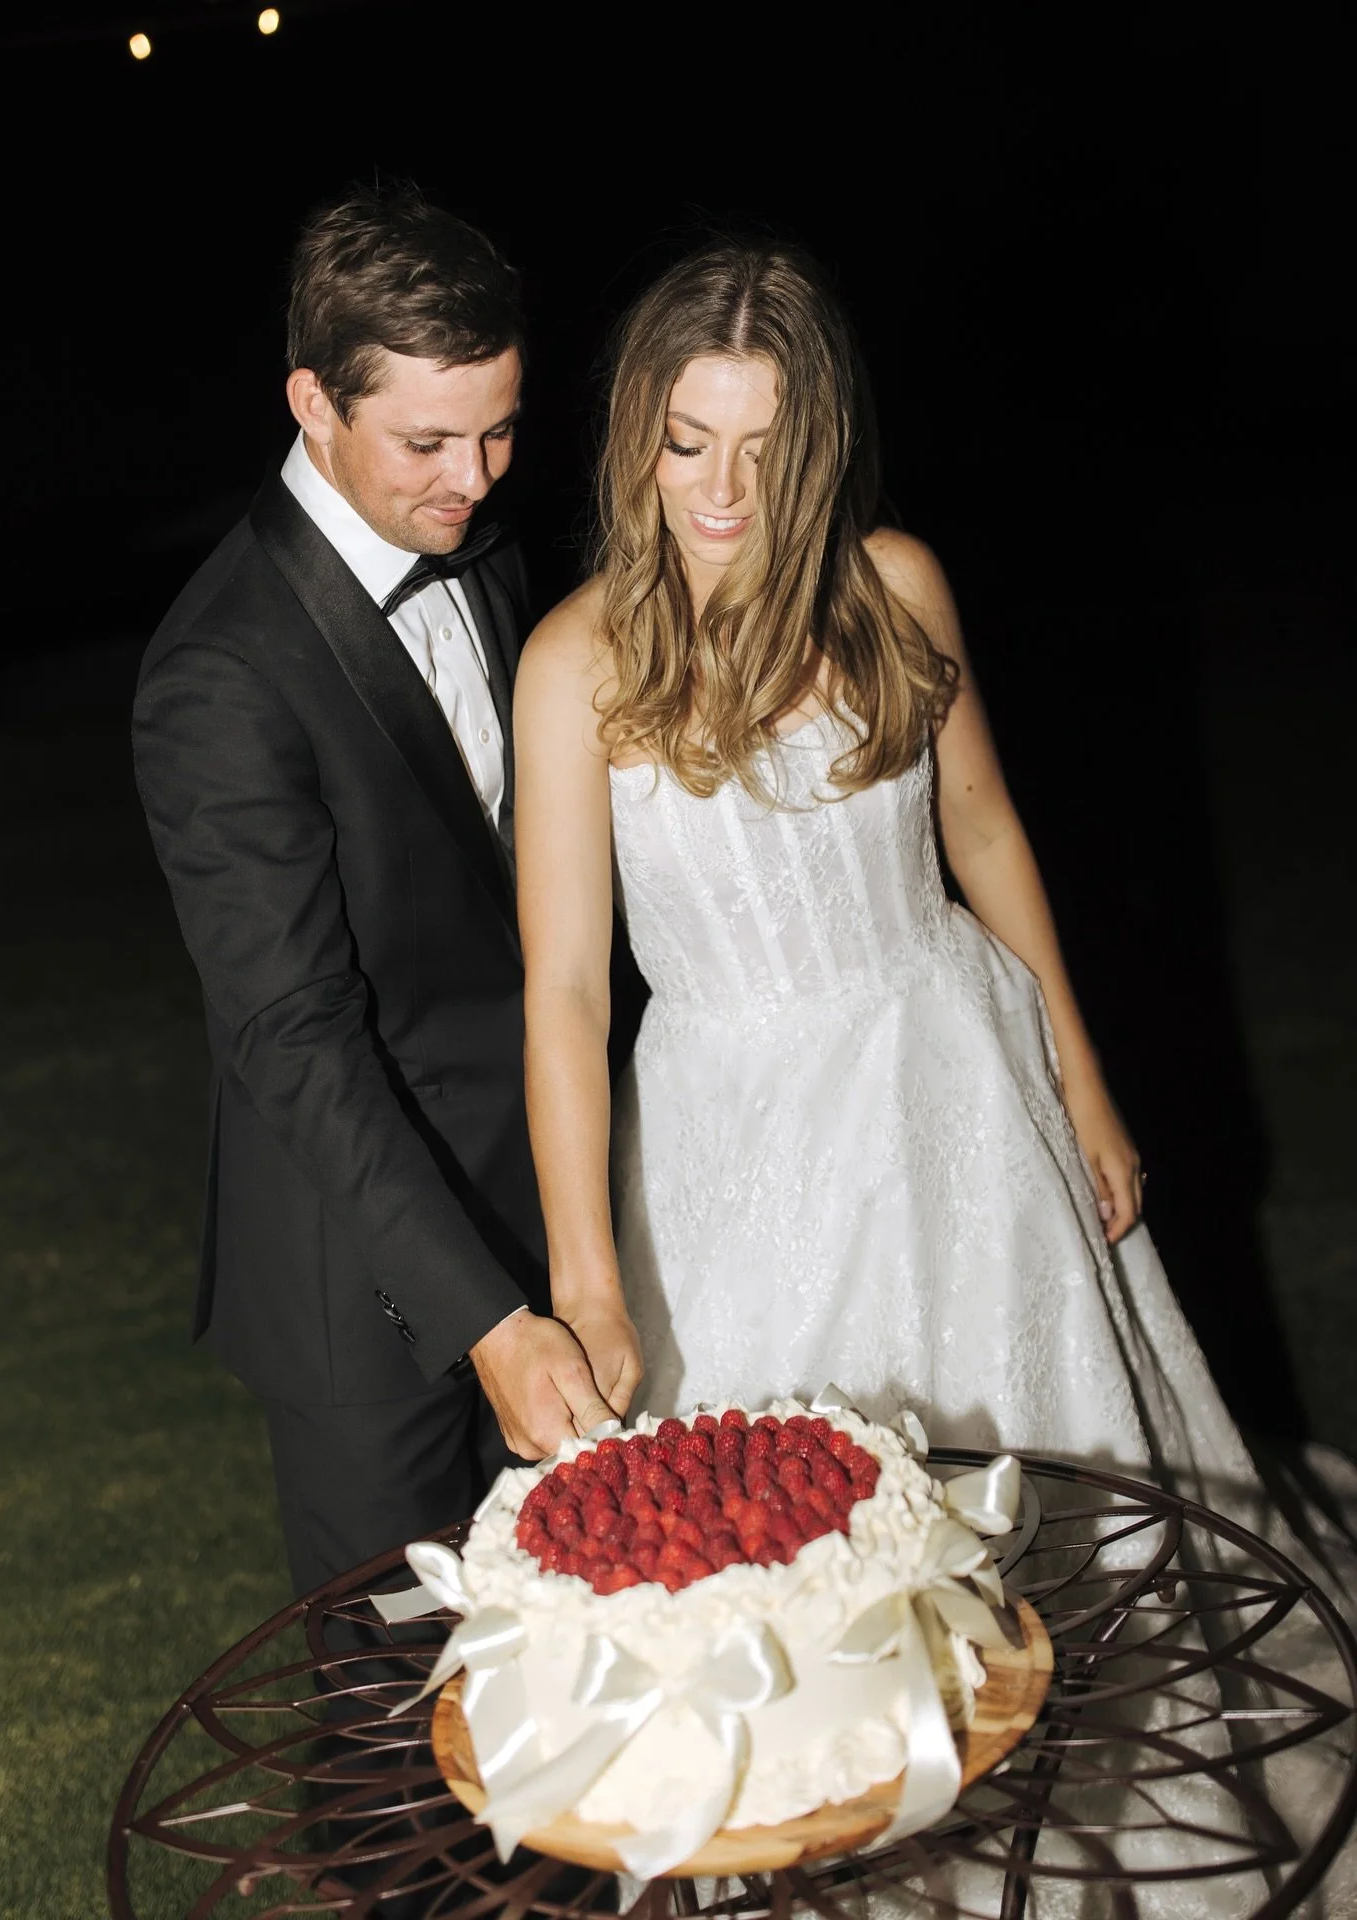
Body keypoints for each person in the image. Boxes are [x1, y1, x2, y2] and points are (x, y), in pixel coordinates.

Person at [513, 237, 1258, 1499]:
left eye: (765, 446)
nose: (723, 490)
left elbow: (985, 837)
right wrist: (586, 1280)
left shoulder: (896, 588)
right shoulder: (573, 666)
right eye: (688, 440)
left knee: (1038, 1497)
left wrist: (1082, 1084)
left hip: (954, 1093)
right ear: (638, 431)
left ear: (819, 442)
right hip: (730, 1154)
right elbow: (569, 991)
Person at [133, 184, 614, 1608]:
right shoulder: (218, 673)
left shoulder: (488, 548)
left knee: (586, 1668)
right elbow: (295, 1037)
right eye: (426, 440)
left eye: (501, 428)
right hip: (371, 1297)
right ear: (310, 401)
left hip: (555, 1203)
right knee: (402, 1723)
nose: (473, 478)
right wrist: (490, 1323)